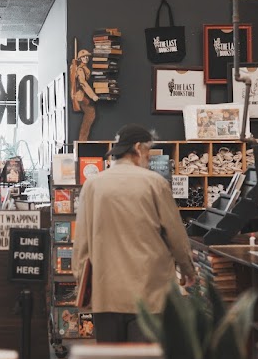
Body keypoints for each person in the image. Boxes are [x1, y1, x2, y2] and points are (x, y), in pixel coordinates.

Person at [72, 124, 197, 343]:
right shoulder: (155, 183)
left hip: (106, 293)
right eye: (148, 153)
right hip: (149, 294)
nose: (148, 159)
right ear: (138, 149)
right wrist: (187, 269)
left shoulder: (92, 185)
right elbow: (176, 236)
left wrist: (82, 281)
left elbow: (81, 244)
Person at [70, 48, 99, 141]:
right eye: (83, 57)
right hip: (80, 95)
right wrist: (92, 95)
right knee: (90, 113)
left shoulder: (84, 68)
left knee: (90, 114)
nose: (86, 58)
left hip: (82, 95)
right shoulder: (80, 70)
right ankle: (82, 140)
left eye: (87, 56)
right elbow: (83, 83)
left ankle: (83, 140)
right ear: (80, 59)